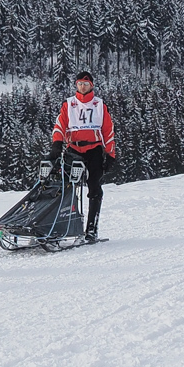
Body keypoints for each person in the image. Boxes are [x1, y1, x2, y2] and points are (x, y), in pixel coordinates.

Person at [48, 70, 116, 242]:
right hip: (73, 149)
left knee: (94, 187)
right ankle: (60, 226)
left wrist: (110, 155)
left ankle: (92, 229)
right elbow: (59, 125)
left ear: (91, 86)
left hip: (94, 150)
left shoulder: (99, 105)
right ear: (76, 85)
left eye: (86, 84)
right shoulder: (69, 104)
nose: (83, 87)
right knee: (65, 187)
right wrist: (57, 144)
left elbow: (108, 131)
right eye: (80, 84)